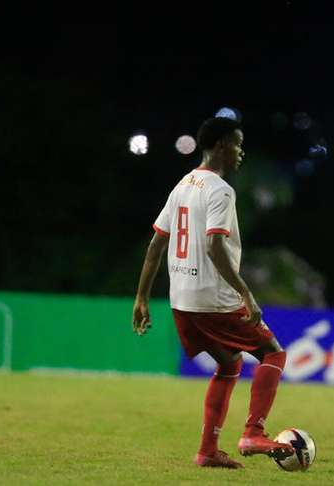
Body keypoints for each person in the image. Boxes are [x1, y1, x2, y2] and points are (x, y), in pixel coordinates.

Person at [131, 117, 295, 469]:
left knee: (229, 363)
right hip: (213, 299)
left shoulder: (183, 185)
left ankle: (207, 451)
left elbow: (157, 244)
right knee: (273, 354)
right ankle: (253, 432)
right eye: (237, 143)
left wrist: (142, 298)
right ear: (221, 145)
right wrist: (246, 294)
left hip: (182, 301)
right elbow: (213, 246)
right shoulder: (220, 190)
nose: (241, 152)